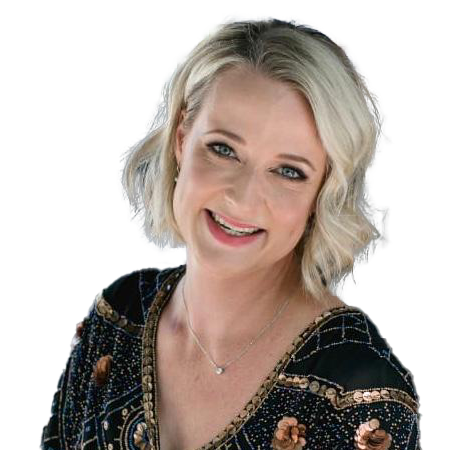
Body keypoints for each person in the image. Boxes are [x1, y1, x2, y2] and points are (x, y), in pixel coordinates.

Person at [40, 18, 423, 450]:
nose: (242, 198)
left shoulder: (359, 397)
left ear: (323, 193)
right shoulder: (118, 316)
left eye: (289, 171)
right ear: (182, 139)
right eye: (223, 149)